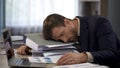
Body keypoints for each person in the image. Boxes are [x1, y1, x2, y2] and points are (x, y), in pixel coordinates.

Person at [17, 14, 120, 68]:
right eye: (59, 39)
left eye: (62, 34)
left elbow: (112, 53)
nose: (65, 40)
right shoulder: (66, 34)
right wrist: (30, 47)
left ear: (67, 21)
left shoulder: (99, 23)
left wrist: (84, 56)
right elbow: (48, 44)